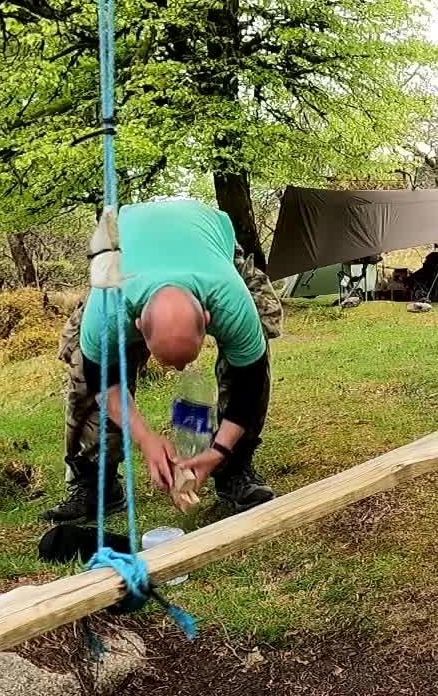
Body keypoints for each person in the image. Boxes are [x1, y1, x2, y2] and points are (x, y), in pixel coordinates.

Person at [42, 199, 284, 523]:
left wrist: (218, 451)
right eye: (171, 361)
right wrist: (145, 438)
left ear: (209, 318)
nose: (180, 370)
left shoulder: (230, 300)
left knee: (255, 346)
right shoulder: (108, 306)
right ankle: (95, 483)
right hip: (123, 242)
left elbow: (248, 381)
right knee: (83, 364)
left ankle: (234, 469)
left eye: (185, 360)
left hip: (208, 236)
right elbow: (104, 381)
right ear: (138, 327)